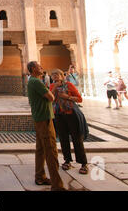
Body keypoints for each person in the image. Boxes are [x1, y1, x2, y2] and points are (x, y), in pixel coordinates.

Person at [27, 61, 66, 191]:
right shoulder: (36, 82)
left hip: (39, 118)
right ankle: (57, 185)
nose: (42, 68)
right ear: (33, 69)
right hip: (44, 119)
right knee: (51, 151)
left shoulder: (33, 81)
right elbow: (50, 97)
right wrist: (54, 88)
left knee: (41, 150)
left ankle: (40, 176)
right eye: (39, 66)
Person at [50, 69, 88, 175]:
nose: (55, 77)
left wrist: (68, 97)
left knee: (77, 139)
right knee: (63, 138)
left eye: (57, 74)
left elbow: (79, 99)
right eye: (53, 75)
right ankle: (67, 160)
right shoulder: (52, 86)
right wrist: (54, 89)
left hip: (71, 114)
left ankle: (83, 163)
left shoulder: (69, 85)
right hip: (59, 115)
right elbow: (50, 99)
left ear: (62, 76)